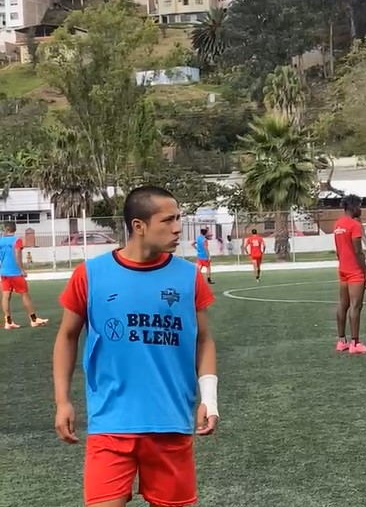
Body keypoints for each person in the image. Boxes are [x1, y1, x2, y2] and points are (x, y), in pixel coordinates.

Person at [52, 186, 219, 507]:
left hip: (170, 424)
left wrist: (209, 400)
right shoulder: (90, 275)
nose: (177, 227)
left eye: (179, 218)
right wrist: (63, 401)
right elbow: (66, 336)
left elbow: (204, 339)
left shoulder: (188, 276)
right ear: (139, 226)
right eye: (167, 220)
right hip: (111, 426)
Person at [333, 194, 366, 354]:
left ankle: (341, 341)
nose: (361, 209)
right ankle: (355, 343)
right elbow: (358, 252)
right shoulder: (354, 225)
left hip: (342, 269)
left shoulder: (338, 224)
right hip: (354, 271)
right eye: (359, 206)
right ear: (353, 207)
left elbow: (338, 250)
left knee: (343, 305)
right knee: (356, 306)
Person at [0, 222, 48, 329]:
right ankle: (34, 320)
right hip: (15, 273)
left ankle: (8, 321)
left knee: (6, 297)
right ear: (15, 229)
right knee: (25, 295)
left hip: (4, 273)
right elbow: (17, 255)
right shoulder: (17, 240)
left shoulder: (0, 240)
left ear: (5, 229)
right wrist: (22, 270)